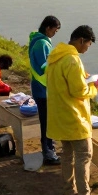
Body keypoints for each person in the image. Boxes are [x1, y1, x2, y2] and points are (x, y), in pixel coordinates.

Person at [47, 25, 98, 195]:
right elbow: (78, 90)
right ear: (81, 40)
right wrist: (95, 88)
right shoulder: (72, 60)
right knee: (83, 156)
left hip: (60, 115)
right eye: (88, 44)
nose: (87, 48)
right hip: (74, 117)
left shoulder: (56, 56)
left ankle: (68, 191)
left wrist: (82, 77)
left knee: (67, 156)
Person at [27, 15, 62, 166]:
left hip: (40, 87)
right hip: (43, 89)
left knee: (46, 121)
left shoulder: (37, 40)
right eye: (55, 30)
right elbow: (44, 67)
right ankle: (48, 152)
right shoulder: (42, 44)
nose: (55, 34)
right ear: (48, 28)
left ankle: (49, 149)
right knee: (47, 122)